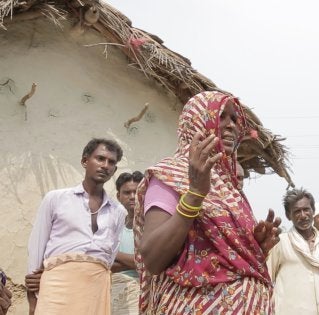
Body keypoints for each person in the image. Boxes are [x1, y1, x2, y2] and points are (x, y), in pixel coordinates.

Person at [134, 91, 281, 314]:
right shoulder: (171, 176)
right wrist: (194, 193)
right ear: (197, 123)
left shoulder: (230, 188)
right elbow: (153, 258)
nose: (231, 125)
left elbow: (227, 256)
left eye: (234, 119)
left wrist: (255, 246)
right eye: (221, 116)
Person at [26, 138, 126, 315]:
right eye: (100, 158)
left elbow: (110, 256)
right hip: (57, 286)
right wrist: (32, 301)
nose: (105, 165)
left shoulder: (118, 211)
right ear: (85, 161)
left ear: (114, 170)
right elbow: (36, 247)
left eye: (111, 162)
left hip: (96, 288)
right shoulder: (56, 199)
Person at [267, 188, 319, 315]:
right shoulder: (280, 243)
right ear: (288, 215)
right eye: (297, 211)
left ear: (313, 210)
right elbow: (267, 280)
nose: (303, 215)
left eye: (306, 209)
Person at [111, 171, 143, 315]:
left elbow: (150, 264)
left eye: (136, 192)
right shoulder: (114, 227)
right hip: (114, 293)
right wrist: (134, 261)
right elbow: (104, 264)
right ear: (118, 196)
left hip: (141, 293)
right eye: (127, 192)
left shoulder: (150, 225)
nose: (132, 197)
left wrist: (113, 253)